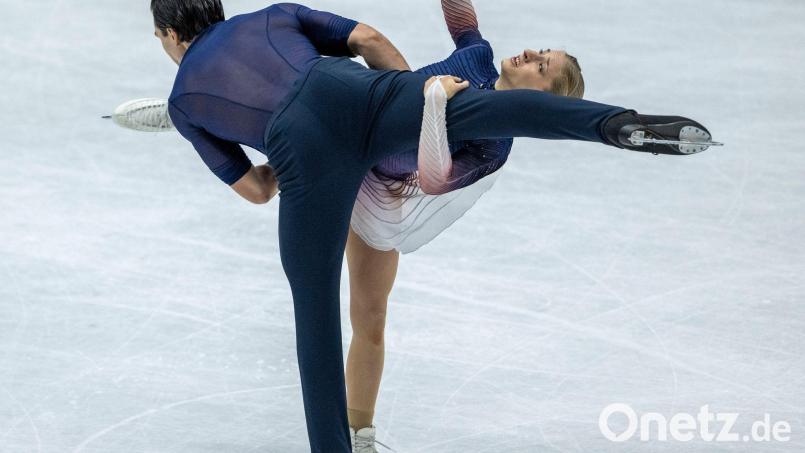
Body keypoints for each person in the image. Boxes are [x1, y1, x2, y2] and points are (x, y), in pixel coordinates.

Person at [148, 0, 715, 451]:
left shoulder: (184, 101)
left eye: (543, 65)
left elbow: (264, 189)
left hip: (369, 185)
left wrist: (299, 146)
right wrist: (399, 99)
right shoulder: (277, 14)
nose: (531, 54)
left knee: (315, 312)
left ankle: (344, 441)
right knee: (490, 112)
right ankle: (617, 125)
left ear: (168, 35)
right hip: (366, 107)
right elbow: (382, 36)